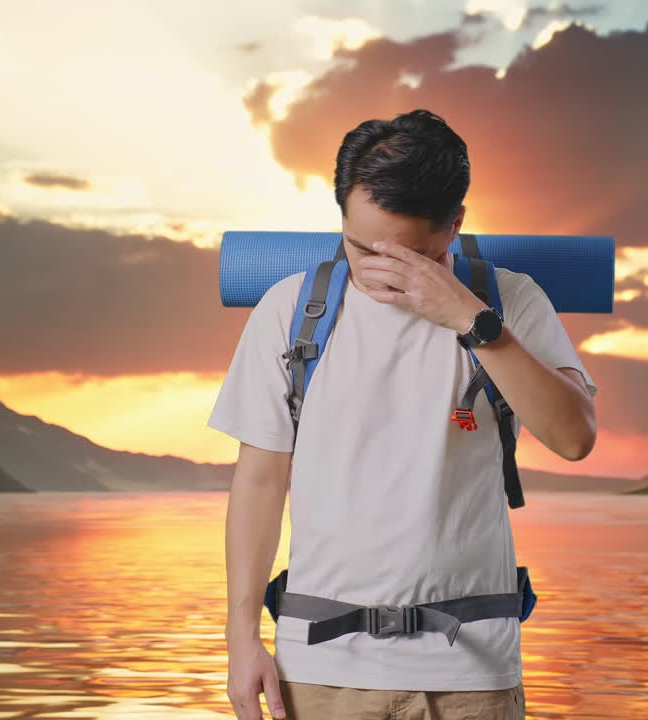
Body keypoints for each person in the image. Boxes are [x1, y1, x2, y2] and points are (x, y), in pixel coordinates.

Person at [209, 108, 598, 720]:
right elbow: (259, 482)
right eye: (361, 246)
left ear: (454, 225)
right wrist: (240, 639)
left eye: (408, 255)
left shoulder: (511, 302)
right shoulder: (290, 312)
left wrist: (470, 320)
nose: (378, 270)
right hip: (319, 668)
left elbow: (575, 438)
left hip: (471, 674)